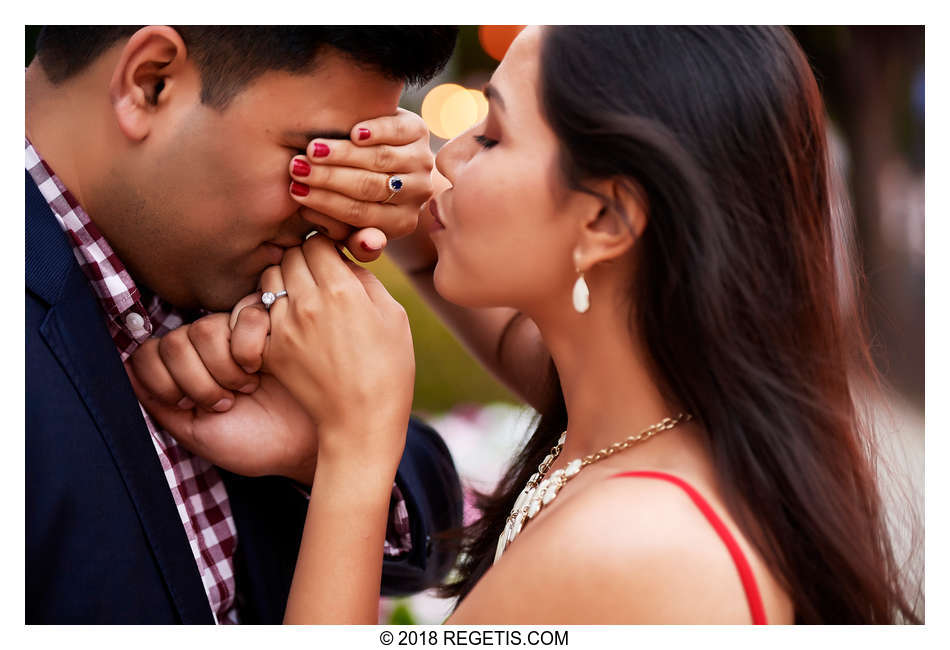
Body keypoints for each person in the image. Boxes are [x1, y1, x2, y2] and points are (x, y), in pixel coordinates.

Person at [131, 26, 921, 623]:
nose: (448, 155)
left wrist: (354, 445)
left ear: (606, 219)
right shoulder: (645, 402)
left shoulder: (630, 549)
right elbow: (515, 334)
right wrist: (401, 209)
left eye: (494, 134)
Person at [25, 25, 464, 624]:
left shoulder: (202, 257)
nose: (337, 215)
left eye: (361, 162)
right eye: (315, 154)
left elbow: (431, 532)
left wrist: (320, 451)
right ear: (149, 83)